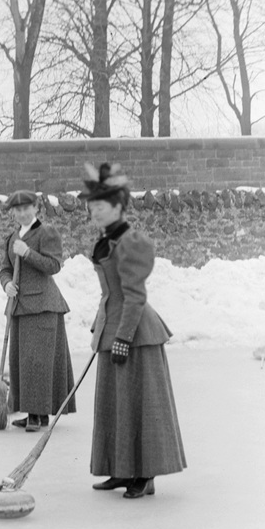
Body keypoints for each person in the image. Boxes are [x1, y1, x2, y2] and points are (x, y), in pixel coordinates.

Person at [80, 162, 186, 498]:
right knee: (114, 402)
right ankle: (119, 469)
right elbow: (110, 293)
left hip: (136, 334)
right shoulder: (107, 239)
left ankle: (144, 475)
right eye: (91, 207)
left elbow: (135, 296)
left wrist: (123, 336)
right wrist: (102, 327)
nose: (94, 212)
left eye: (100, 207)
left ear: (117, 207)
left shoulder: (131, 242)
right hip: (114, 328)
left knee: (139, 403)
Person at [0, 190, 75, 433]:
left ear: (36, 208)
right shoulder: (12, 237)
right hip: (20, 307)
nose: (22, 213)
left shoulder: (46, 232)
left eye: (26, 208)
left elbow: (54, 265)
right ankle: (32, 413)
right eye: (17, 210)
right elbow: (5, 268)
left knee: (38, 362)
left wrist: (28, 253)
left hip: (43, 306)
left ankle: (39, 414)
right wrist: (7, 284)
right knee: (22, 362)